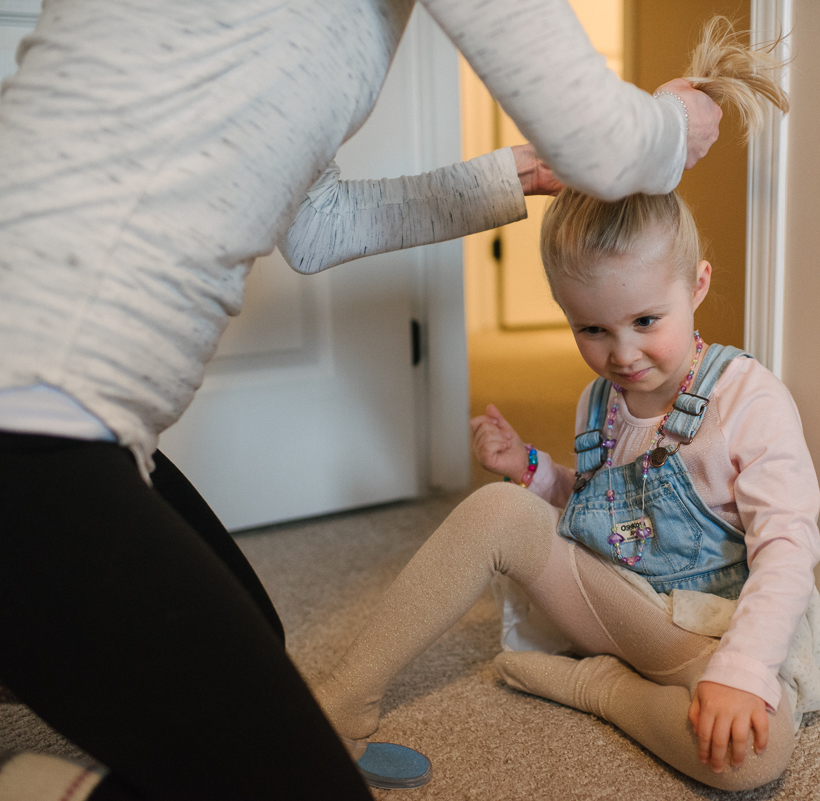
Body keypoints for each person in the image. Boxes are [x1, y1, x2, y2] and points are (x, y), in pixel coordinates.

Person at [0, 0, 724, 798]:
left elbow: (315, 224)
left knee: (250, 644)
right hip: (29, 426)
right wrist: (688, 116)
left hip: (54, 419)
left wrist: (519, 174)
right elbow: (611, 145)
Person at [313, 20, 820, 791]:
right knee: (498, 512)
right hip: (609, 599)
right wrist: (530, 470)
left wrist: (742, 671)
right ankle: (337, 700)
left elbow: (788, 544)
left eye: (647, 322)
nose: (622, 353)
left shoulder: (747, 399)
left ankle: (596, 688)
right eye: (592, 328)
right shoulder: (600, 400)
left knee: (758, 749)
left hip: (691, 632)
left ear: (699, 288)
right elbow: (599, 508)